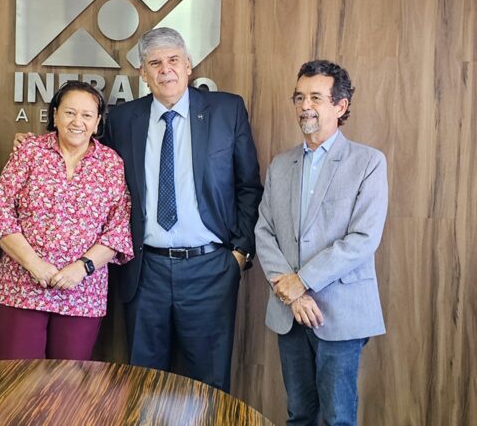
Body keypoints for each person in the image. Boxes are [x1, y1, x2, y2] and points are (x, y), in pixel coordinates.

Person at [105, 28, 263, 391]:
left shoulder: (226, 110)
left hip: (210, 268)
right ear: (142, 72)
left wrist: (239, 253)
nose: (166, 70)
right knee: (144, 383)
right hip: (145, 271)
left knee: (209, 385)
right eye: (155, 63)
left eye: (174, 59)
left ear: (189, 65)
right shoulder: (123, 119)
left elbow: (248, 186)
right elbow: (96, 174)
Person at [255, 60, 388, 425]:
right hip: (289, 311)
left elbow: (363, 238)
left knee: (337, 418)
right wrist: (292, 293)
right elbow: (264, 231)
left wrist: (303, 281)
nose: (305, 106)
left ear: (340, 106)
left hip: (341, 312)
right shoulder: (281, 164)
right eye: (299, 97)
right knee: (299, 415)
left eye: (316, 97)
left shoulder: (368, 163)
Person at [0, 80, 133, 360]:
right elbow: (1, 215)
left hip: (83, 292)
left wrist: (82, 268)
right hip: (22, 287)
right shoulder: (29, 151)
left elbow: (117, 231)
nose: (77, 122)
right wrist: (34, 265)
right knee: (18, 378)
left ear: (97, 122)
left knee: (68, 381)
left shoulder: (111, 163)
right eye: (69, 112)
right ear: (55, 115)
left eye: (87, 115)